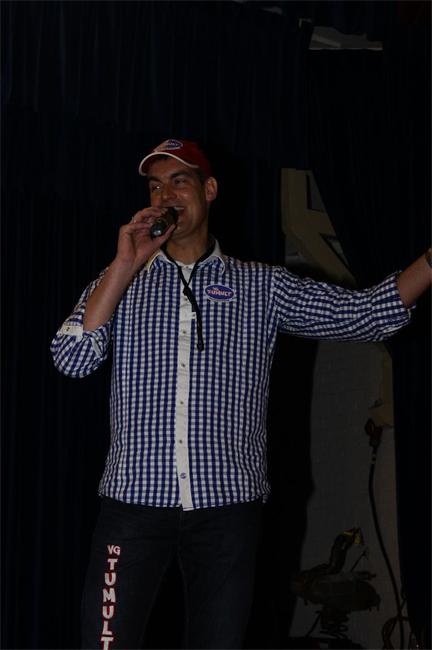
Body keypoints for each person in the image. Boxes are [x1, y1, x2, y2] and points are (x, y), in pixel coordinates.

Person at [51, 138, 432, 650]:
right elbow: (71, 358)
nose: (165, 195)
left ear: (209, 190)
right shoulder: (119, 282)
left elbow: (365, 315)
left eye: (179, 181)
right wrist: (124, 264)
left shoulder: (261, 286)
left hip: (226, 509)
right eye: (155, 186)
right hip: (132, 506)